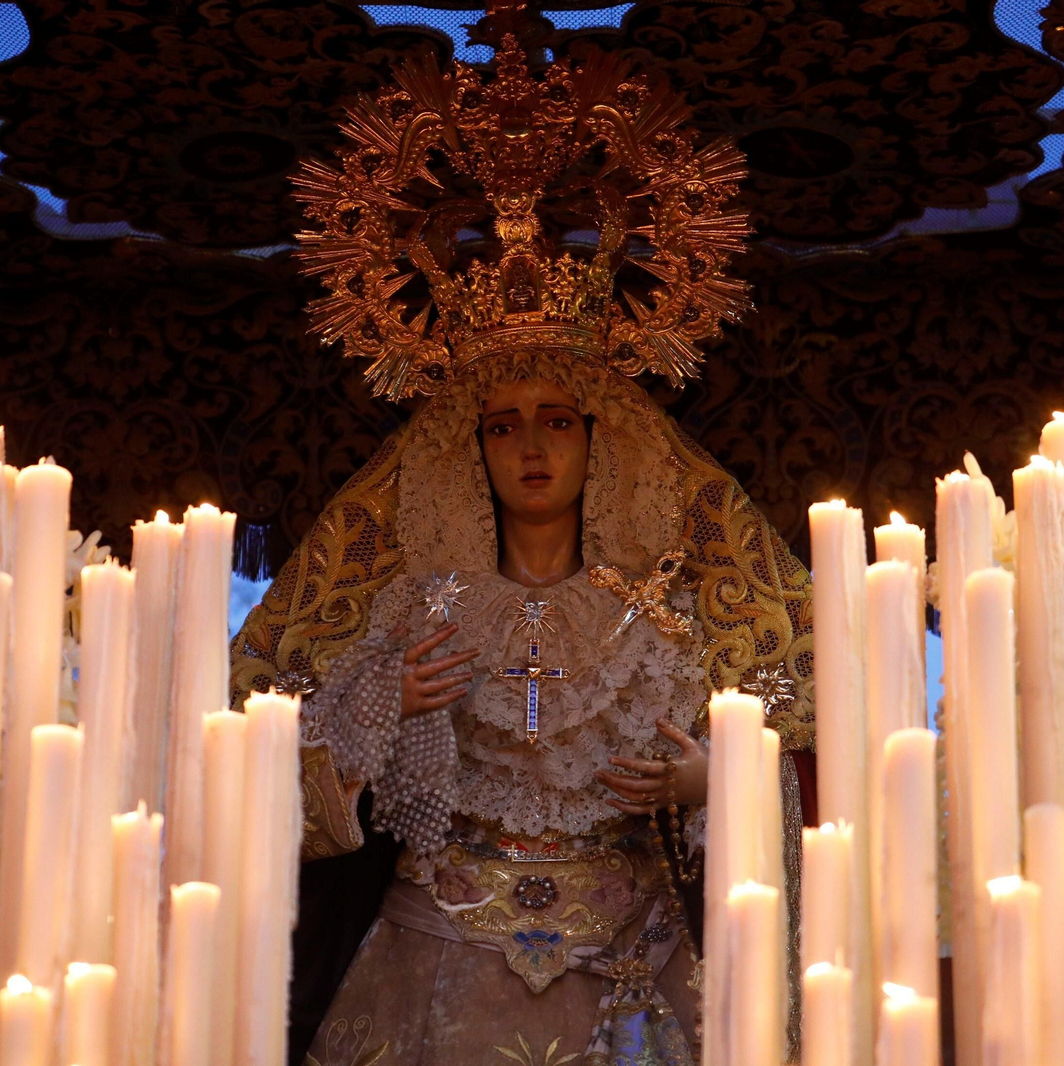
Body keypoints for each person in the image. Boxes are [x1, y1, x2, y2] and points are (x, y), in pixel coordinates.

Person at [230, 37, 815, 1066]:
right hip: (435, 949)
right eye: (503, 424)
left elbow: (790, 767)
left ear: (601, 441)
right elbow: (269, 770)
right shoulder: (416, 608)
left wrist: (710, 787)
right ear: (471, 448)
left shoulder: (662, 614)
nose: (532, 445)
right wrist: (380, 703)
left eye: (557, 419)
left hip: (629, 960)